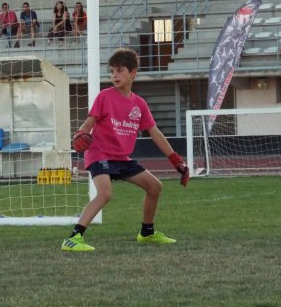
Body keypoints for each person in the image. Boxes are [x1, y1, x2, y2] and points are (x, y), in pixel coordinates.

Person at [61, 48, 189, 252]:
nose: (115, 75)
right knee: (105, 194)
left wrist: (175, 160)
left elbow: (154, 132)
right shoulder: (105, 96)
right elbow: (88, 123)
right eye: (112, 71)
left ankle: (147, 234)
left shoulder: (139, 104)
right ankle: (73, 238)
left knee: (155, 187)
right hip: (99, 153)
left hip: (121, 158)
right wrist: (79, 134)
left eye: (120, 70)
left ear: (133, 73)